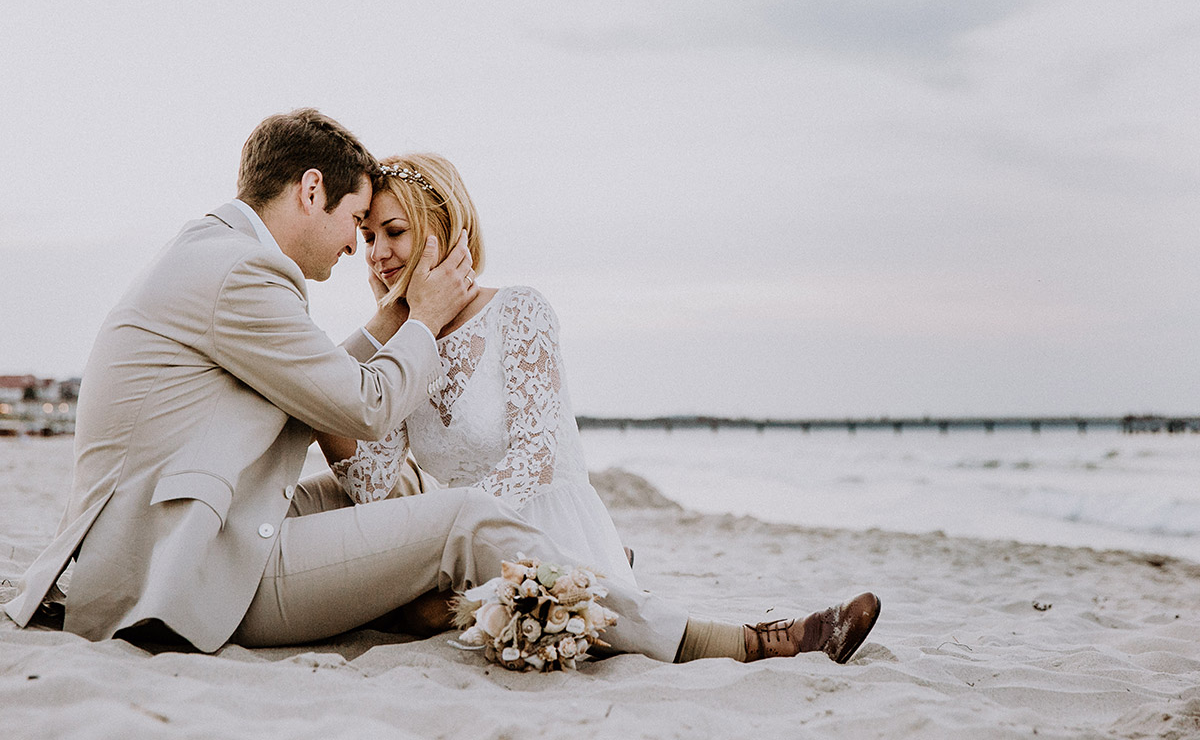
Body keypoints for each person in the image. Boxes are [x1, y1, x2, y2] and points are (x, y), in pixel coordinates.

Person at [2, 108, 880, 665]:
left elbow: (326, 385)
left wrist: (396, 321)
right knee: (457, 520)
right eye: (354, 222)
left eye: (381, 231)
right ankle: (726, 640)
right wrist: (418, 317)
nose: (357, 250)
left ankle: (445, 603)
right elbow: (358, 402)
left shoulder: (212, 255)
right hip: (188, 561)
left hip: (178, 524)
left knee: (378, 510)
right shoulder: (246, 277)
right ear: (312, 189)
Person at [312, 153, 635, 592]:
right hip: (457, 545)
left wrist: (443, 531)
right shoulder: (406, 344)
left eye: (395, 232)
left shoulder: (518, 309)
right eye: (368, 237)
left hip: (540, 529)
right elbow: (370, 483)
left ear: (444, 227)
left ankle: (619, 565)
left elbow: (535, 459)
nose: (377, 254)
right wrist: (322, 386)